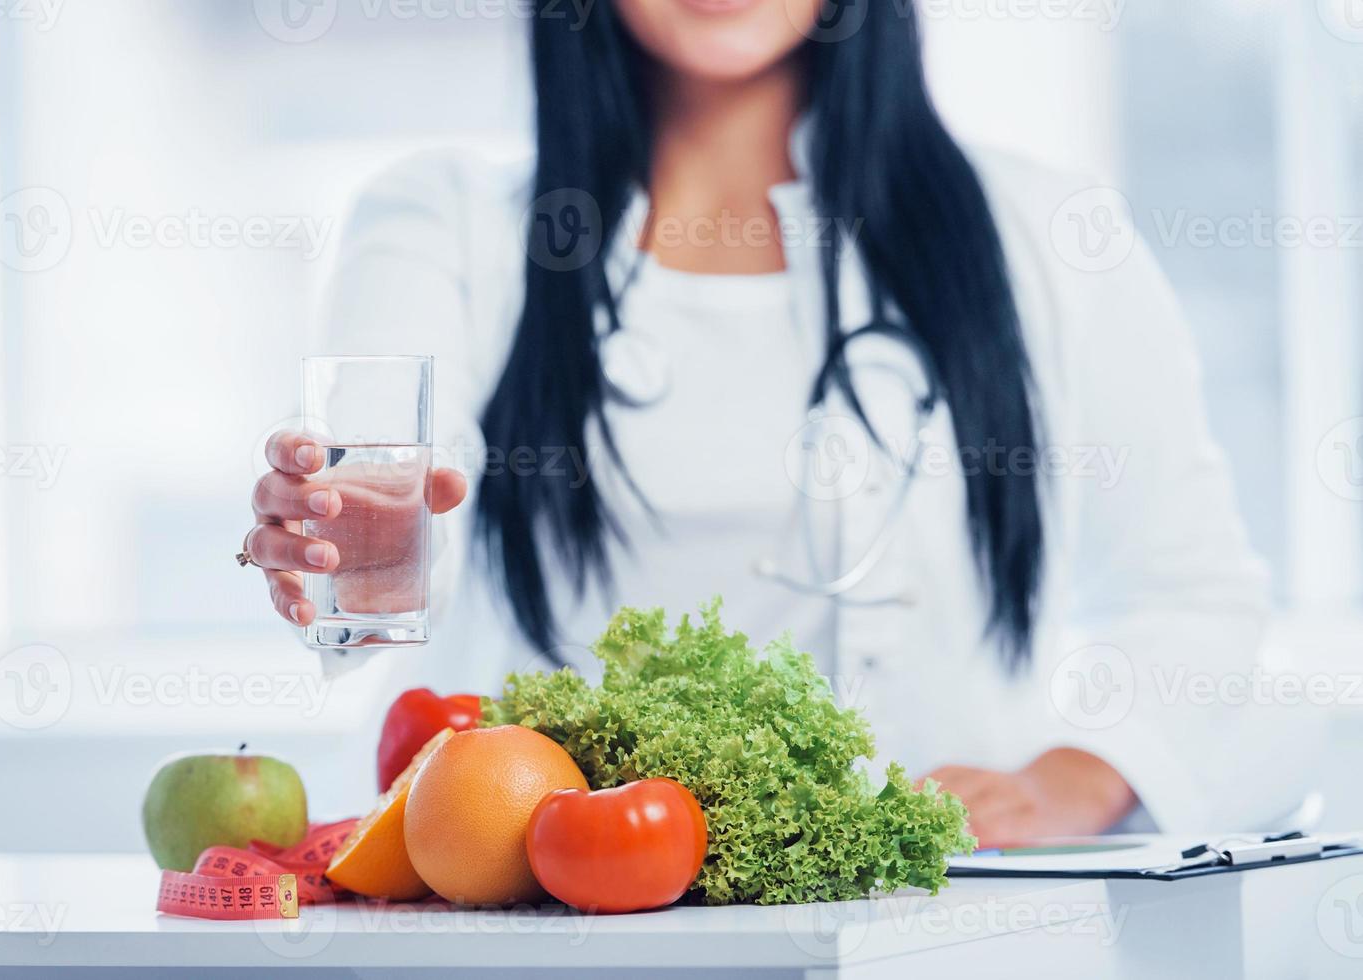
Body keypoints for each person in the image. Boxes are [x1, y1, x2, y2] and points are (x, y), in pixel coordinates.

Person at [243, 0, 1302, 844]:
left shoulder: (1048, 232)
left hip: (937, 927)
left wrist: (1085, 773)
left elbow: (1193, 590)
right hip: (560, 921)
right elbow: (384, 498)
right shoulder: (443, 222)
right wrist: (337, 536)